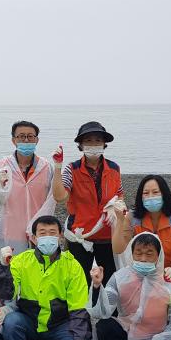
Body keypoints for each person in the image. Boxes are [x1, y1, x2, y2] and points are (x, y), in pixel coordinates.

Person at [0, 215, 91, 340]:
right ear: (34, 238)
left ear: (60, 236)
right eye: (42, 233)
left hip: (58, 323)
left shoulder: (72, 265)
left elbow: (78, 305)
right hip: (29, 320)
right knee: (11, 321)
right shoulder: (21, 261)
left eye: (52, 233)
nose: (47, 237)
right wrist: (3, 267)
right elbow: (5, 293)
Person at [51, 121, 124, 285]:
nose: (93, 145)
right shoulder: (72, 169)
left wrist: (118, 208)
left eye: (98, 141)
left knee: (109, 280)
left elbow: (119, 195)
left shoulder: (114, 168)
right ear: (81, 144)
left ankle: (108, 311)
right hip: (79, 237)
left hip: (107, 235)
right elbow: (60, 197)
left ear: (104, 144)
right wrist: (57, 167)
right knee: (78, 281)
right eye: (88, 141)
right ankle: (79, 310)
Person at [0, 120, 57, 253]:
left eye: (30, 136)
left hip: (39, 231)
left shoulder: (47, 167)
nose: (26, 140)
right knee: (12, 268)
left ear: (37, 140)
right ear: (14, 140)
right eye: (21, 136)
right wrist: (0, 187)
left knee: (39, 268)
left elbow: (51, 199)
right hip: (11, 230)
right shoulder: (2, 166)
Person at [112, 175, 171, 273]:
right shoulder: (132, 217)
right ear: (140, 197)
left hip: (170, 271)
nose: (150, 197)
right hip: (141, 271)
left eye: (155, 192)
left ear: (164, 194)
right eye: (146, 193)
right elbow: (118, 249)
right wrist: (120, 220)